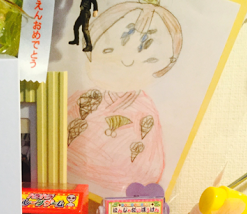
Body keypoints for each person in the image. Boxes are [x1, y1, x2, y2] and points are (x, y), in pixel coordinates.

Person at [67, 0, 182, 196]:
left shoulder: (145, 112)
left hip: (117, 198)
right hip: (65, 187)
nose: (126, 61)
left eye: (149, 59)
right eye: (108, 51)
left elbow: (149, 171)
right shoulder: (80, 99)